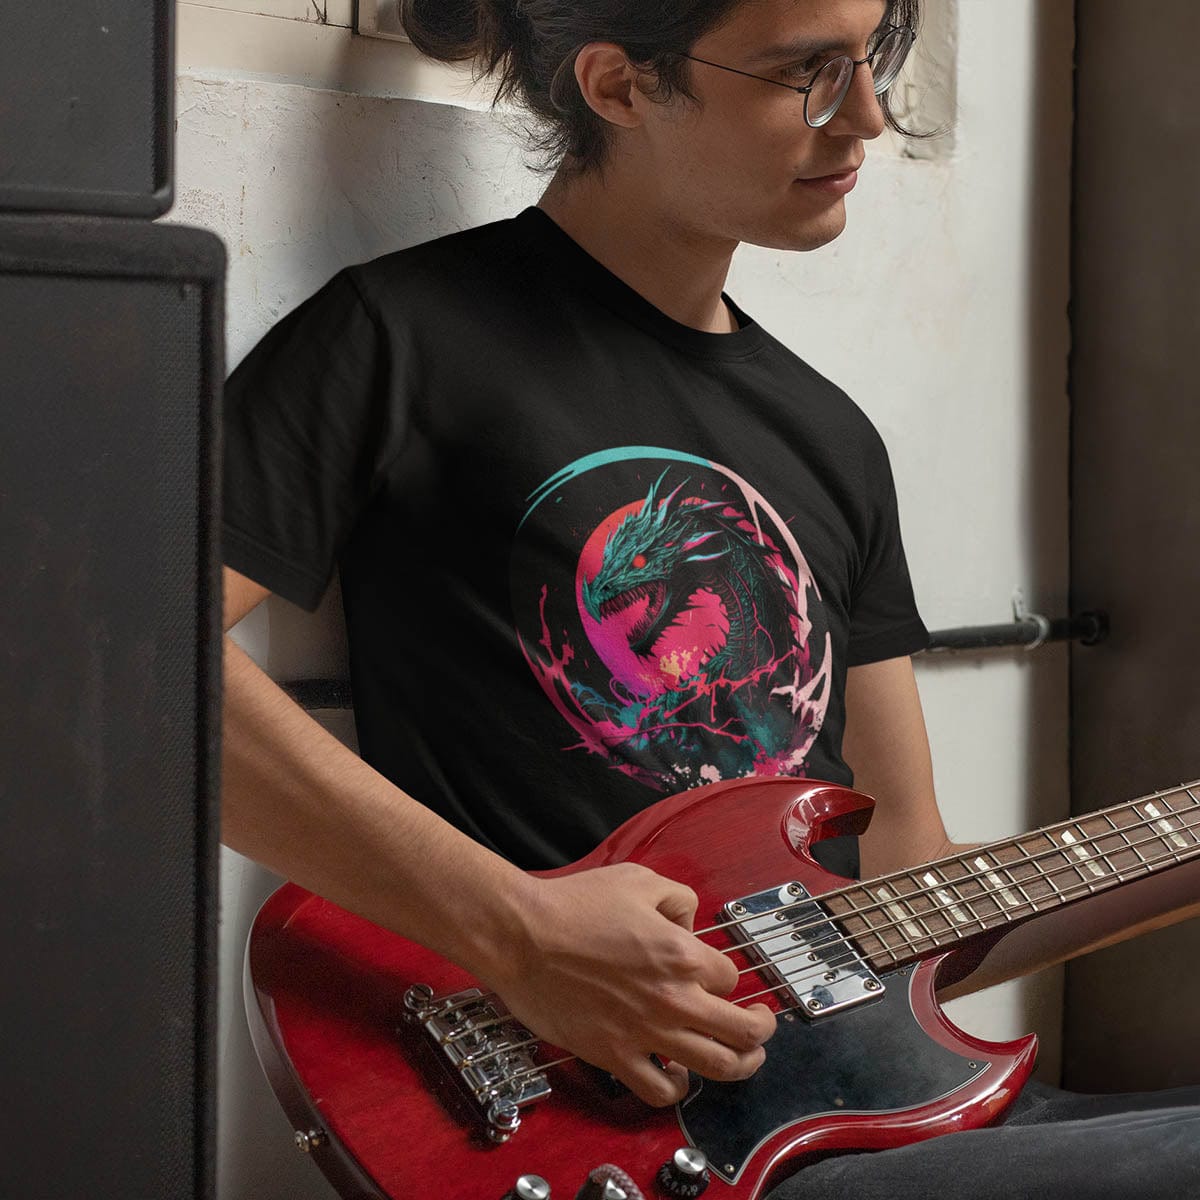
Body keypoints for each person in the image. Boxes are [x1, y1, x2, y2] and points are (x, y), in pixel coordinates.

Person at [220, 1, 1200, 1195]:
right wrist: (518, 933)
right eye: (807, 73)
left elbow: (906, 873)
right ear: (621, 88)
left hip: (871, 1109)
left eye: (873, 62)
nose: (870, 119)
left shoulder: (830, 437)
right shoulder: (399, 339)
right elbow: (134, 663)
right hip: (614, 1125)